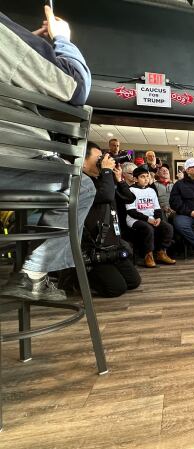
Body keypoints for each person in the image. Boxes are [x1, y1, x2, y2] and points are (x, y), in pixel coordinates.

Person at [0, 6, 95, 301]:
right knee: (83, 186)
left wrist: (24, 43)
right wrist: (63, 40)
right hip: (13, 167)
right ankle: (33, 273)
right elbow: (74, 86)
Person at [81, 142, 141, 297]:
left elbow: (129, 198)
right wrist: (107, 171)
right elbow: (106, 196)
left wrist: (119, 179)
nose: (102, 160)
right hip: (94, 248)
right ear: (83, 161)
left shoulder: (104, 180)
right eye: (98, 158)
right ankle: (76, 277)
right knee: (116, 289)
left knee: (133, 282)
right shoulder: (81, 183)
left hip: (112, 246)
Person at [126, 165, 176, 267]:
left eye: (147, 176)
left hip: (151, 218)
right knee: (148, 228)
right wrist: (147, 219)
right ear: (135, 179)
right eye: (142, 177)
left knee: (168, 227)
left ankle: (161, 253)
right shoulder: (130, 191)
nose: (146, 179)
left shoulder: (151, 190)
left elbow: (157, 208)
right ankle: (148, 255)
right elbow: (131, 211)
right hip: (135, 220)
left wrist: (158, 218)